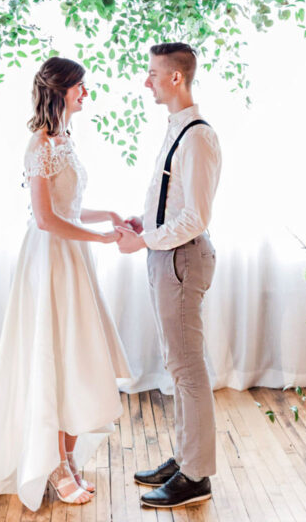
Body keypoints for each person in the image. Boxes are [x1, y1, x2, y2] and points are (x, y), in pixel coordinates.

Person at [0, 56, 131, 515]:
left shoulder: (65, 140)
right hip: (49, 261)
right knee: (54, 357)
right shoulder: (38, 145)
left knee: (77, 357)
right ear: (61, 90)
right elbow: (45, 218)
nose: (86, 94)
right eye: (81, 87)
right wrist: (99, 237)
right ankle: (53, 467)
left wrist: (108, 216)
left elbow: (70, 205)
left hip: (71, 259)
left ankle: (68, 458)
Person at [117, 42, 222, 509]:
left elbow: (196, 216)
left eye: (153, 73)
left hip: (182, 258)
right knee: (177, 366)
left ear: (176, 78)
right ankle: (186, 457)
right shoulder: (178, 129)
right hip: (169, 254)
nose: (147, 81)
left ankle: (196, 476)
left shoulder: (197, 135)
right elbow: (174, 202)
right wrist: (148, 225)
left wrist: (145, 239)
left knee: (187, 369)